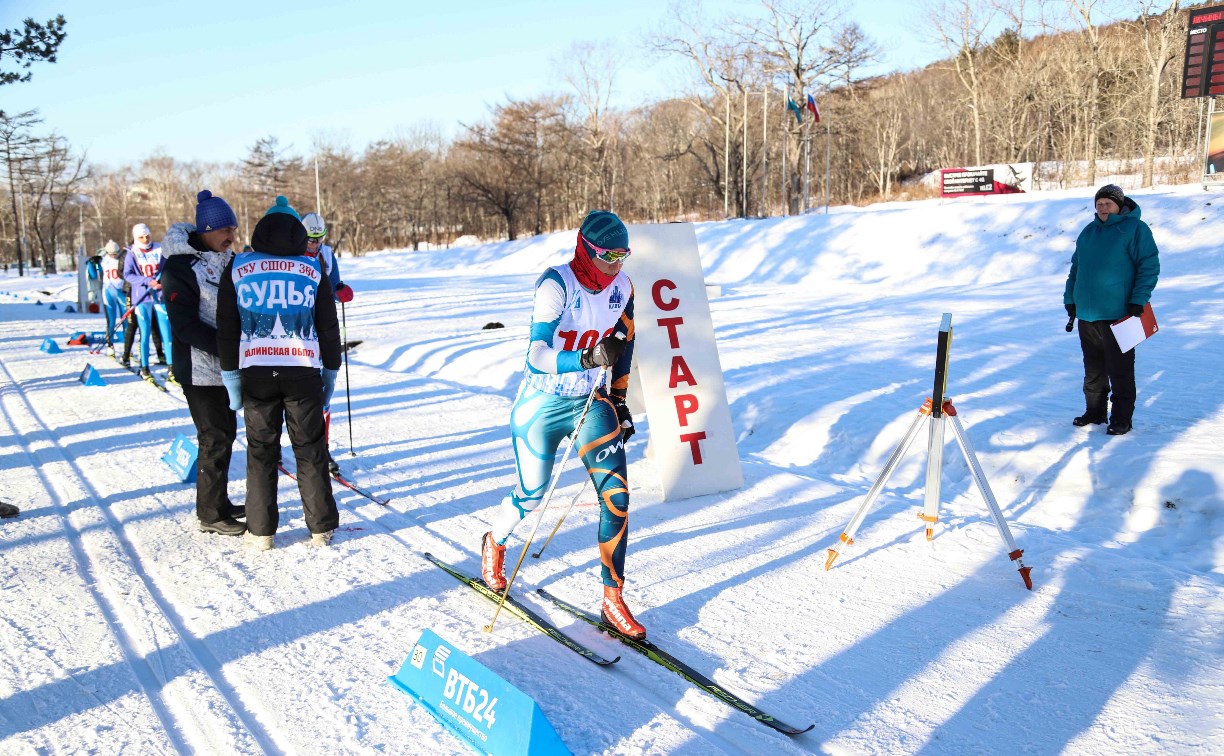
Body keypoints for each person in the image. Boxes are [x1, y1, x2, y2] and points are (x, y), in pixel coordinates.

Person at [481, 210, 644, 638]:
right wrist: (587, 358)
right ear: (587, 251)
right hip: (542, 402)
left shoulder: (624, 287)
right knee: (531, 495)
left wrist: (621, 401)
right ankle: (495, 541)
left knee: (618, 499)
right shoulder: (556, 283)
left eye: (623, 256)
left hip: (590, 402)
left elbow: (623, 346)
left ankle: (613, 598)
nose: (616, 266)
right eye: (608, 256)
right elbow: (535, 354)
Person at [217, 196, 343, 550]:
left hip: (256, 371)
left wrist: (230, 377)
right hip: (303, 372)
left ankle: (261, 532)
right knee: (310, 448)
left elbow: (227, 327)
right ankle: (320, 527)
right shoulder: (313, 268)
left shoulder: (238, 267)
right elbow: (328, 328)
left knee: (260, 450)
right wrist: (331, 372)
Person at [163, 190, 247, 537]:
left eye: (234, 229)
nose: (232, 237)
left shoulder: (227, 257)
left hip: (226, 364)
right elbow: (184, 325)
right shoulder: (179, 266)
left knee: (226, 434)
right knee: (213, 437)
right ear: (206, 229)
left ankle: (219, 501)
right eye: (225, 230)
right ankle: (210, 513)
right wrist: (228, 349)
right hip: (198, 367)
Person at [1064, 184, 1160, 435]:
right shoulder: (1088, 232)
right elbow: (1076, 268)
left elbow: (1148, 266)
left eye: (1108, 202)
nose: (1103, 207)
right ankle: (1095, 412)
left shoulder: (1136, 229)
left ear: (1120, 205)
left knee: (1120, 370)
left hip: (1120, 313)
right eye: (1099, 203)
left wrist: (1139, 299)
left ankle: (1121, 419)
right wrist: (1070, 298)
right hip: (1087, 313)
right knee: (1093, 369)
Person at [301, 212, 354, 475]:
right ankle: (273, 445)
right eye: (311, 239)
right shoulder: (289, 256)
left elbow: (334, 286)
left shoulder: (327, 255)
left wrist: (341, 291)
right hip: (297, 333)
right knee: (290, 389)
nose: (315, 243)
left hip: (323, 331)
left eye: (319, 238)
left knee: (327, 386)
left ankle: (323, 448)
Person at [122, 223, 174, 380]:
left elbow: (169, 268)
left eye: (147, 236)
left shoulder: (160, 249)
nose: (145, 239)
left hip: (160, 296)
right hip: (142, 297)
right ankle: (144, 367)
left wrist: (163, 281)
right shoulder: (132, 252)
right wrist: (146, 280)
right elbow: (128, 275)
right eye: (141, 237)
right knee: (144, 334)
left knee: (167, 334)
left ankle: (171, 367)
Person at [99, 241, 127, 355]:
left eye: (116, 253)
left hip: (121, 291)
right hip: (108, 291)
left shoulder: (123, 259)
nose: (114, 256)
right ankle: (110, 345)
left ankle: (127, 346)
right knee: (111, 320)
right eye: (111, 254)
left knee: (125, 320)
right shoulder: (103, 260)